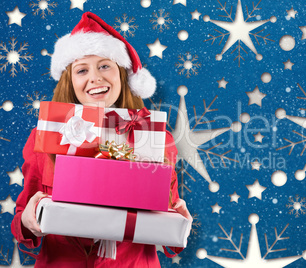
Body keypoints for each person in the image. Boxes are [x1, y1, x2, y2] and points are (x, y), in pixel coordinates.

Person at [11, 12, 191, 268]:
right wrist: (27, 223)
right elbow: (20, 223)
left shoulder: (156, 137)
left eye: (104, 66)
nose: (95, 78)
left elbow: (168, 232)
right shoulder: (44, 138)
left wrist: (180, 221)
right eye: (82, 70)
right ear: (70, 82)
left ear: (122, 74)